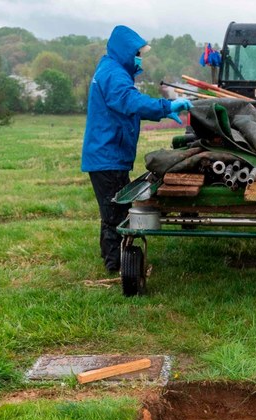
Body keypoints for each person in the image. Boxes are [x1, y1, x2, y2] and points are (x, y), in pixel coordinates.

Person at [82, 25, 192, 274]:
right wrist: (166, 106)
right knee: (116, 213)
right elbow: (130, 101)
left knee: (113, 208)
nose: (139, 58)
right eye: (137, 53)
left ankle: (111, 257)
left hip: (111, 154)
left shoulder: (113, 70)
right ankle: (116, 264)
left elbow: (127, 110)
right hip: (106, 156)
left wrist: (161, 111)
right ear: (125, 50)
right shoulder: (114, 74)